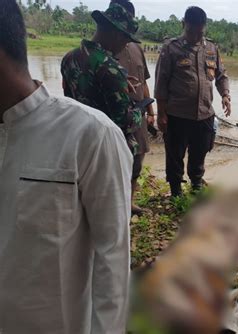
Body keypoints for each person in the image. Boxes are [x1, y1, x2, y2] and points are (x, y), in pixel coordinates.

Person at [0, 1, 131, 332]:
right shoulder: (112, 69)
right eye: (125, 38)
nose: (125, 43)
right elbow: (129, 116)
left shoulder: (93, 132)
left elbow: (113, 258)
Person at [154, 6, 231, 197]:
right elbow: (161, 83)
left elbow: (221, 76)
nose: (195, 36)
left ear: (204, 27)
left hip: (204, 113)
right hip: (177, 114)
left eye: (199, 32)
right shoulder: (171, 48)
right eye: (191, 31)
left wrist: (226, 95)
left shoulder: (212, 48)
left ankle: (196, 184)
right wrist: (161, 114)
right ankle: (176, 190)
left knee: (200, 152)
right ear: (183, 24)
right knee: (174, 155)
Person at [61, 2, 142, 156]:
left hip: (79, 140)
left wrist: (120, 80)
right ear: (118, 35)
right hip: (105, 148)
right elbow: (124, 121)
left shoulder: (69, 57)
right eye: (126, 41)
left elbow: (71, 97)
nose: (125, 46)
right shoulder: (109, 68)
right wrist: (140, 110)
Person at [113, 0, 156, 215]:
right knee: (114, 164)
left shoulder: (137, 47)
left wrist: (151, 113)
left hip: (138, 115)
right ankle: (115, 208)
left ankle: (129, 203)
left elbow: (144, 80)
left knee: (137, 162)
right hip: (115, 118)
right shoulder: (106, 47)